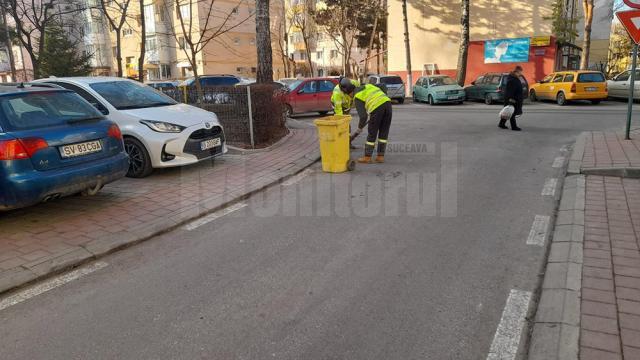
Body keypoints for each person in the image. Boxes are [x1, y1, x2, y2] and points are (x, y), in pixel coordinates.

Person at [346, 83, 393, 163]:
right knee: (383, 132)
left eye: (349, 95)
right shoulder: (368, 86)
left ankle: (367, 157)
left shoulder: (357, 96)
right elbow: (383, 86)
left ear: (351, 92)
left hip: (377, 109)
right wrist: (383, 96)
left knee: (372, 133)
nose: (350, 97)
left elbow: (363, 116)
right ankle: (380, 156)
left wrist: (359, 128)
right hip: (388, 105)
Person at [500, 65, 524, 131]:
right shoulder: (513, 80)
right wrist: (511, 100)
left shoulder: (514, 78)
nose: (521, 74)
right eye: (520, 72)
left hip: (514, 99)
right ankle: (514, 127)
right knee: (512, 113)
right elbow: (510, 91)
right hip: (512, 99)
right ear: (517, 72)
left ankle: (501, 124)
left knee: (508, 112)